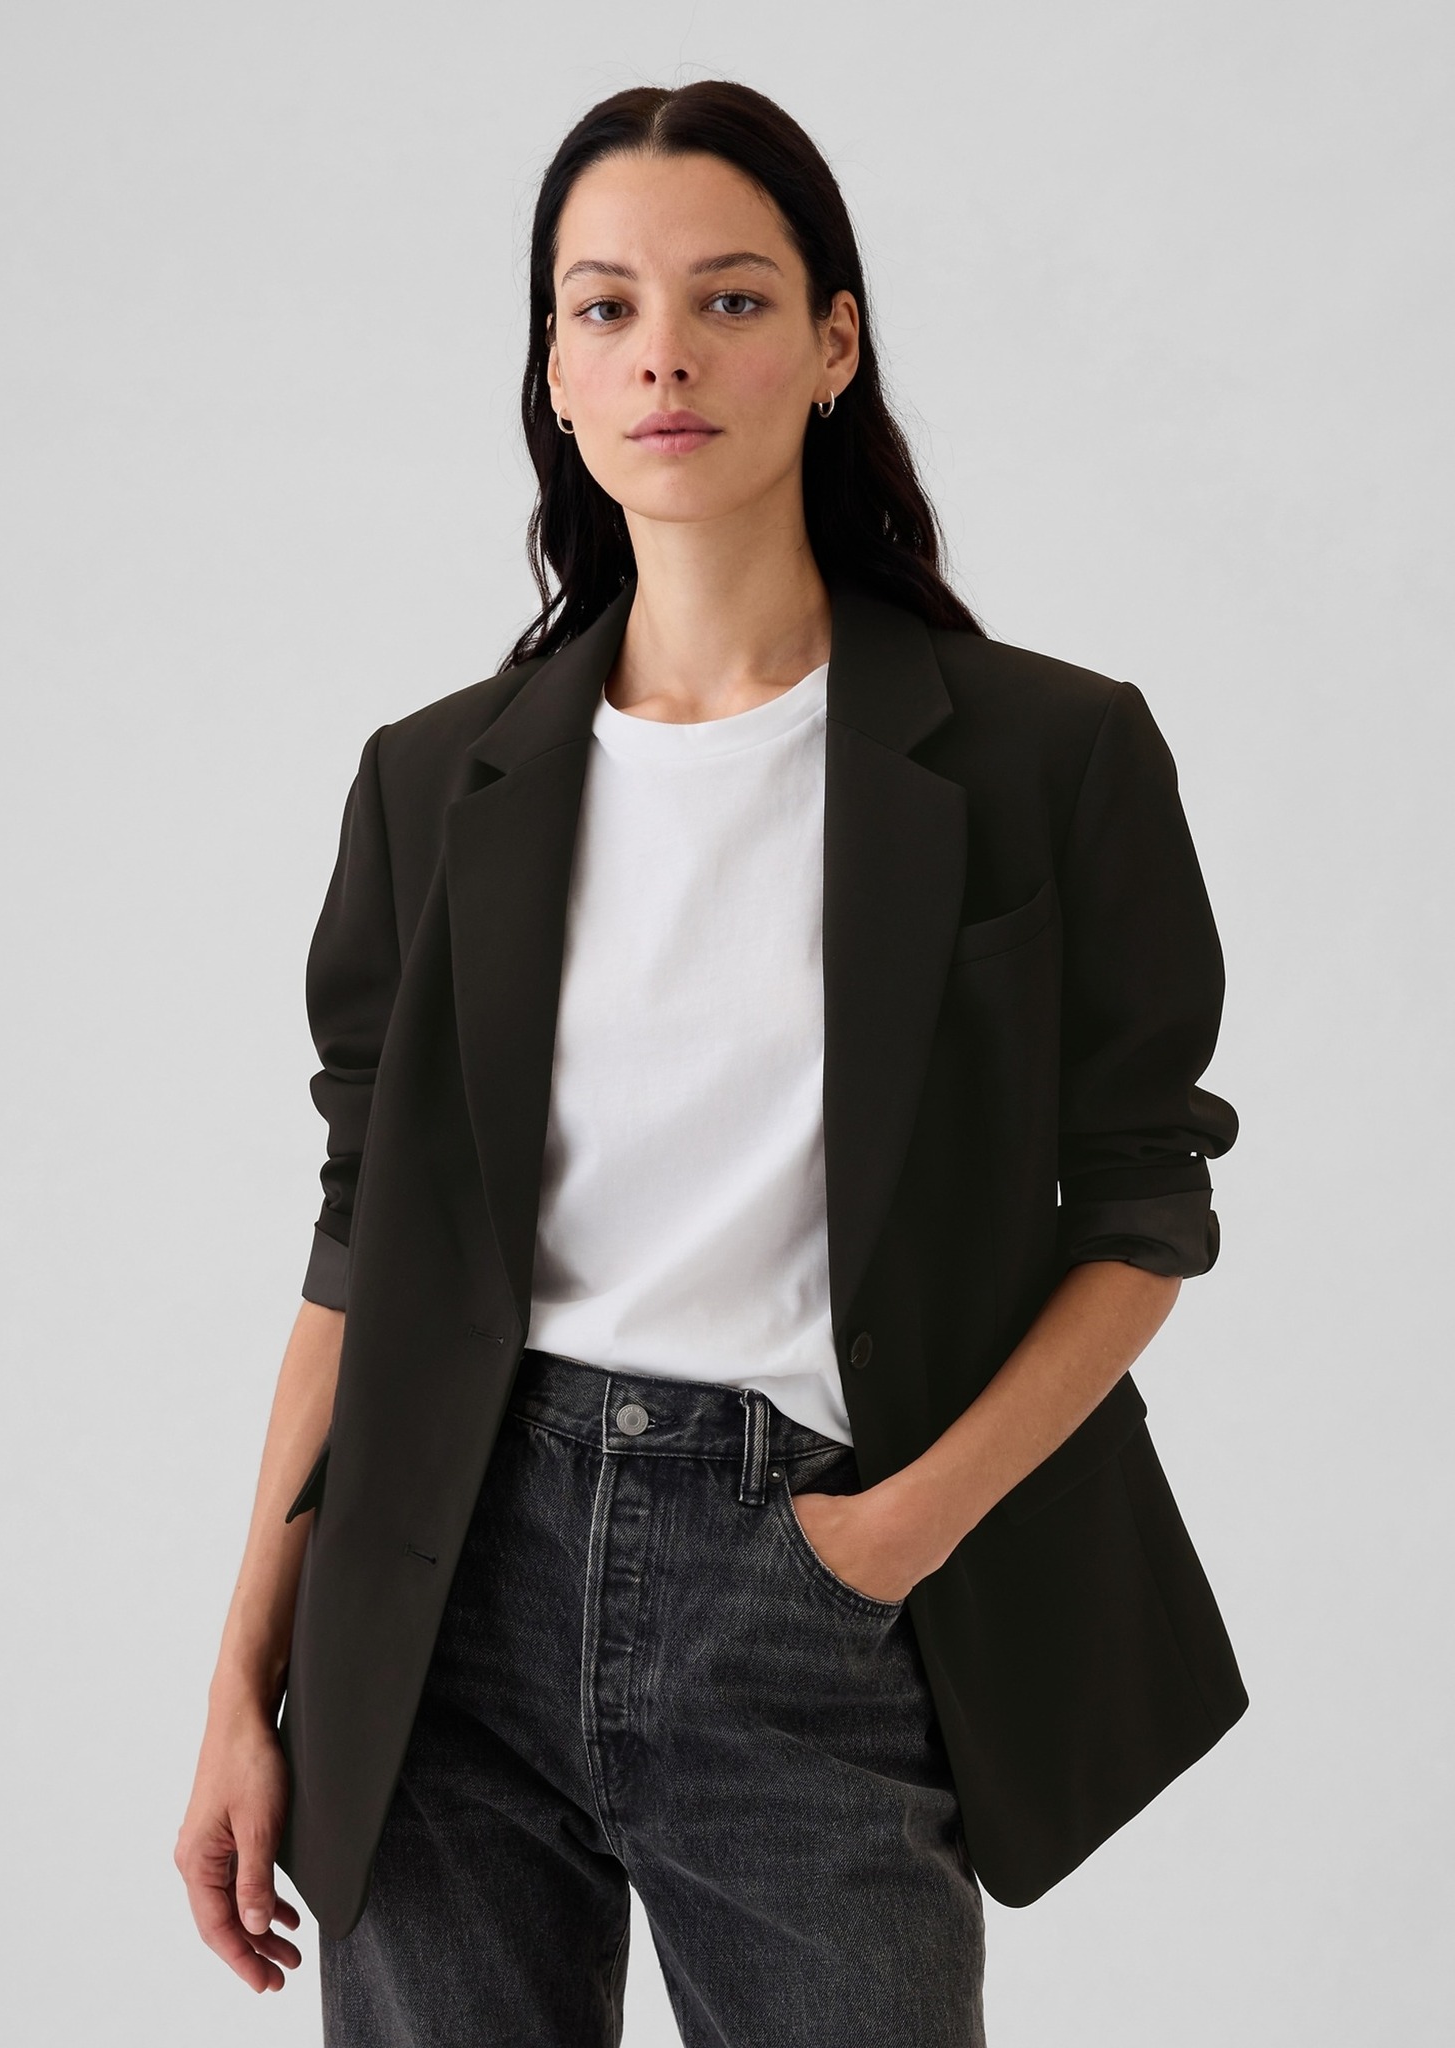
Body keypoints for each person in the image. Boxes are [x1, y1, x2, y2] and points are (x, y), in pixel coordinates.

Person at [175, 78, 1246, 2046]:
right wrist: (243, 1675)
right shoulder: (434, 783)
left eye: (730, 299)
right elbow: (357, 1241)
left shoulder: (1047, 756)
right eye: (605, 307)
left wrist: (894, 1535)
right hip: (440, 1589)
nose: (663, 350)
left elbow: (1145, 1202)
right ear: (557, 373)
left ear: (835, 343)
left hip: (809, 1581)